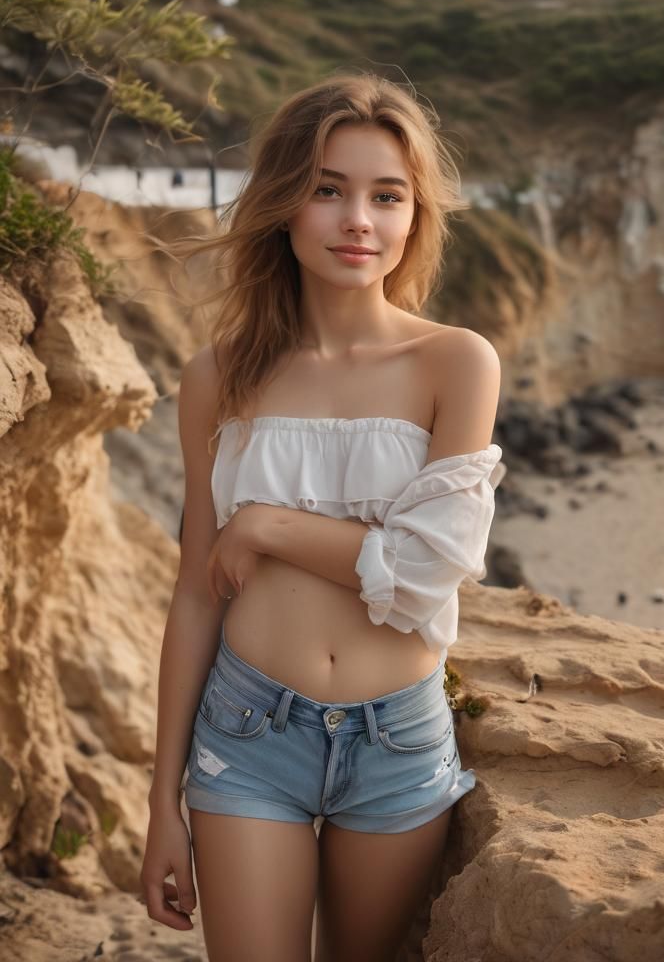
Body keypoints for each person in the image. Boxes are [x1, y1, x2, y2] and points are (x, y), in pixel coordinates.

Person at [140, 72, 504, 961]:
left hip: (397, 737)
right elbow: (196, 594)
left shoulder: (456, 363)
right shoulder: (217, 376)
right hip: (247, 733)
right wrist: (160, 802)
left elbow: (425, 571)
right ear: (283, 204)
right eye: (328, 189)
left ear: (414, 216)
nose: (358, 221)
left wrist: (270, 527)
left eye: (388, 196)